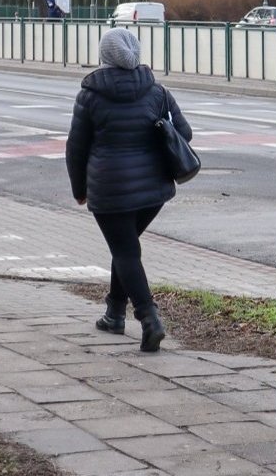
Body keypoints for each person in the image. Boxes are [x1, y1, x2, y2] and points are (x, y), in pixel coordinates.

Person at [65, 28, 191, 353]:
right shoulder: (157, 91)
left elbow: (76, 149)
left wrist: (79, 190)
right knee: (125, 247)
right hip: (154, 191)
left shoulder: (90, 96)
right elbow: (185, 134)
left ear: (104, 56)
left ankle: (150, 320)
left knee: (125, 251)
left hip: (109, 190)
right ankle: (114, 314)